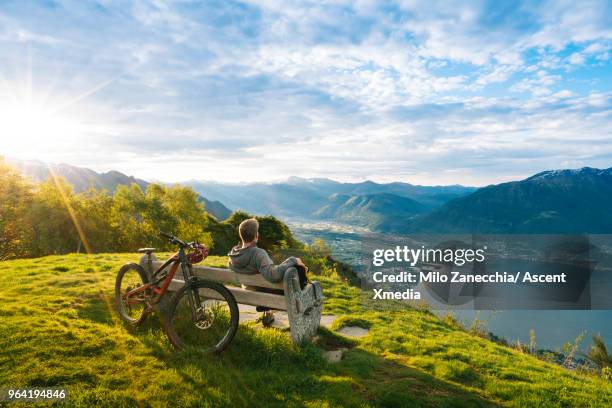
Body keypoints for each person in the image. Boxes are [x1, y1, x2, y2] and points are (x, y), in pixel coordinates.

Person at [228, 218, 305, 326]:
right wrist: (293, 260)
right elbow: (274, 275)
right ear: (256, 235)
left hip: (250, 292)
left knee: (265, 280)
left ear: (242, 235)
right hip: (267, 294)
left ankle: (268, 313)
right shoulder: (257, 253)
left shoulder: (233, 254)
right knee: (297, 271)